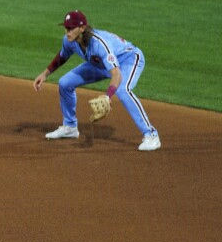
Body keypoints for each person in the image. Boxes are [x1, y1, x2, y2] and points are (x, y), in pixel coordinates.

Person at [33, 10, 160, 151]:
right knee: (65, 83)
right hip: (100, 65)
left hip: (127, 60)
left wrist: (108, 96)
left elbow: (116, 74)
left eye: (71, 28)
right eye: (66, 27)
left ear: (82, 28)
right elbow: (62, 57)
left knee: (123, 90)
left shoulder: (99, 44)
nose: (67, 31)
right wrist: (45, 74)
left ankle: (151, 135)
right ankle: (70, 127)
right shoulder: (69, 40)